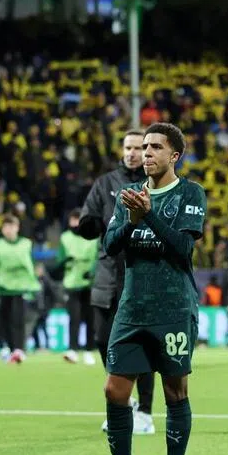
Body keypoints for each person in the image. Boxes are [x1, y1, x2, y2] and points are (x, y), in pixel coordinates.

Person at [84, 122, 207, 455]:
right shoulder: (128, 195)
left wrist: (148, 216)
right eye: (145, 147)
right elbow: (110, 245)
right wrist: (133, 219)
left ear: (175, 155)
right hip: (132, 307)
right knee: (114, 389)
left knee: (175, 391)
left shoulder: (191, 193)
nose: (147, 153)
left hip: (173, 307)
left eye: (155, 147)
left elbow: (181, 249)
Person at [78, 130, 156, 434]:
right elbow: (89, 219)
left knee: (144, 344)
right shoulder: (106, 183)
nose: (134, 153)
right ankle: (124, 399)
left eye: (140, 148)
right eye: (129, 147)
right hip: (109, 273)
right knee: (101, 338)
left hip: (141, 272)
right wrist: (90, 224)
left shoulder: (156, 183)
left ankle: (146, 412)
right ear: (121, 150)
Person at [0, 215, 39, 364]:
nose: (9, 230)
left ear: (17, 227)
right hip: (3, 289)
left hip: (21, 288)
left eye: (11, 226)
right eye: (6, 227)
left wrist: (33, 284)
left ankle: (19, 349)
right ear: (2, 229)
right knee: (4, 320)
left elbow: (31, 264)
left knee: (19, 320)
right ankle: (9, 348)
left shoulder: (26, 244)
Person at [57, 209, 97, 365]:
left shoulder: (94, 238)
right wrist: (64, 261)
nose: (75, 223)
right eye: (73, 220)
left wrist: (93, 272)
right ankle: (72, 350)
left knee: (90, 319)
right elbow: (59, 260)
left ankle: (88, 350)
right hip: (72, 283)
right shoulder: (65, 238)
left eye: (78, 219)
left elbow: (98, 257)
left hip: (89, 284)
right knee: (74, 318)